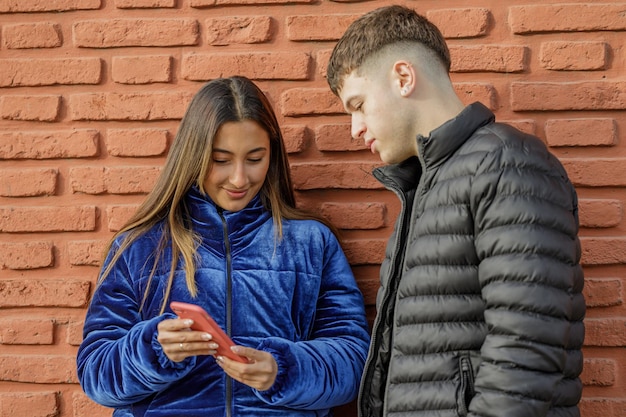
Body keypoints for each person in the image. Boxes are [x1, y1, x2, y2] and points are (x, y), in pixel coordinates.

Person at [326, 5, 585, 417]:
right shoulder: (426, 184)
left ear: (403, 78)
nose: (355, 127)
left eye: (358, 104)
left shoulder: (506, 163)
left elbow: (528, 348)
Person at [76, 76, 370, 417]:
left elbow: (353, 361)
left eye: (255, 158)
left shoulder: (311, 243)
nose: (239, 179)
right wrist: (154, 350)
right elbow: (95, 373)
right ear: (194, 154)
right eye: (221, 160)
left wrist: (283, 370)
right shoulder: (139, 247)